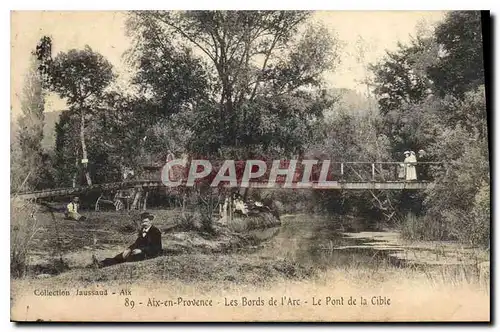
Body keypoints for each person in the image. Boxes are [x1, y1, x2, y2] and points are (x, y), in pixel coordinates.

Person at [93, 212, 162, 268]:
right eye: (142, 222)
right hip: (139, 251)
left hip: (150, 253)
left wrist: (141, 250)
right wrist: (129, 249)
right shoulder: (142, 230)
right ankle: (101, 263)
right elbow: (137, 243)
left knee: (129, 258)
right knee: (122, 255)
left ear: (151, 221)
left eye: (146, 222)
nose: (144, 224)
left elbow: (156, 247)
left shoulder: (155, 231)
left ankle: (103, 265)